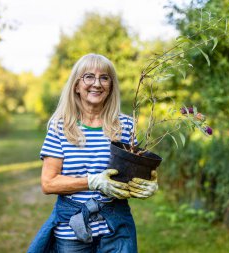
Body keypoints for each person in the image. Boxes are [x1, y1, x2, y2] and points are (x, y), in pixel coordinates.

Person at [26, 53, 159, 253]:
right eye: (89, 77)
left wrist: (148, 184)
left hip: (116, 229)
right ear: (76, 86)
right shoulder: (60, 126)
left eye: (104, 78)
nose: (97, 83)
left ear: (111, 87)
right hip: (72, 230)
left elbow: (133, 174)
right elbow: (48, 183)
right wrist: (93, 181)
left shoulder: (125, 126)